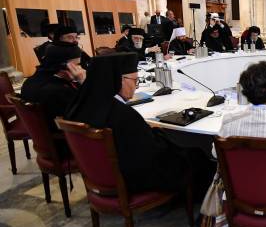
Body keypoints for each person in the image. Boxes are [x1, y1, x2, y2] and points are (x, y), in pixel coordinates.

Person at [65, 53, 213, 193]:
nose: (136, 87)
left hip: (100, 175)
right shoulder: (123, 114)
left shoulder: (82, 104)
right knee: (196, 154)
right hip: (134, 179)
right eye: (135, 81)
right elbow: (152, 154)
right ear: (119, 79)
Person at [21, 43, 86, 158]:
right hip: (66, 146)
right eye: (78, 65)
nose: (81, 69)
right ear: (64, 67)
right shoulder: (58, 91)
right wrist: (83, 82)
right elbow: (86, 115)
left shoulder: (29, 82)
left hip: (45, 143)